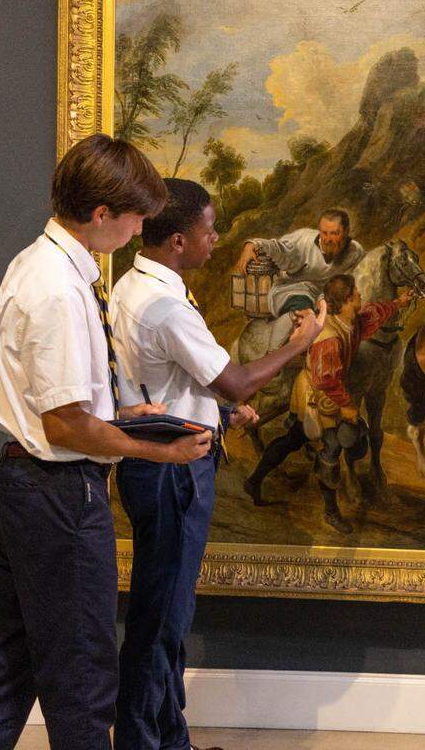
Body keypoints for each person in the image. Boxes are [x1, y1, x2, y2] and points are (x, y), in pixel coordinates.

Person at [0, 134, 214, 750]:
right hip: (60, 495)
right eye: (134, 220)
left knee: (7, 663)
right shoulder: (59, 289)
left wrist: (125, 411)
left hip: (27, 486)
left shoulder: (42, 264)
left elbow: (64, 401)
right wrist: (160, 449)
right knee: (86, 676)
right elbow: (65, 425)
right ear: (102, 215)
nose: (137, 232)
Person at [109, 179, 327, 750]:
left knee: (165, 617)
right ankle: (141, 744)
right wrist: (300, 345)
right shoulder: (166, 307)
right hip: (172, 472)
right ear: (179, 240)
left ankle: (167, 739)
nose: (218, 239)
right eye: (210, 230)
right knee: (163, 620)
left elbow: (168, 384)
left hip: (163, 461)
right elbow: (234, 378)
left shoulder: (135, 284)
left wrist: (217, 417)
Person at [289, 274, 413, 533]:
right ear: (346, 301)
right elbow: (326, 380)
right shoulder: (330, 337)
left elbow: (373, 314)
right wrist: (346, 405)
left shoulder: (351, 322)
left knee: (356, 439)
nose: (360, 294)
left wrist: (398, 303)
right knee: (333, 448)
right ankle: (330, 511)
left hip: (332, 391)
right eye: (355, 292)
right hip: (319, 394)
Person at [233, 207, 364, 316]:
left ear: (346, 232)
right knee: (306, 318)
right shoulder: (303, 241)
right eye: (324, 233)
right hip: (295, 291)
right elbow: (279, 249)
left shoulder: (355, 252)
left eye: (334, 233)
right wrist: (253, 244)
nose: (327, 239)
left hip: (329, 299)